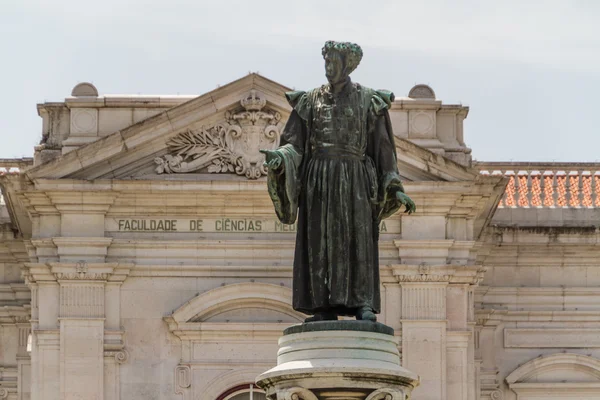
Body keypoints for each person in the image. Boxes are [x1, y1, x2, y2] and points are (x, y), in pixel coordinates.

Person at [261, 41, 415, 323]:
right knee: (319, 239)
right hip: (318, 180)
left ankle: (363, 302)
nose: (328, 68)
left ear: (348, 65)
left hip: (356, 179)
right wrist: (280, 158)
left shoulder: (369, 101)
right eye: (326, 62)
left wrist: (394, 186)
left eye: (333, 62)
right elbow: (293, 143)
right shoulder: (308, 101)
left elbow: (382, 148)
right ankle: (323, 304)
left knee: (358, 240)